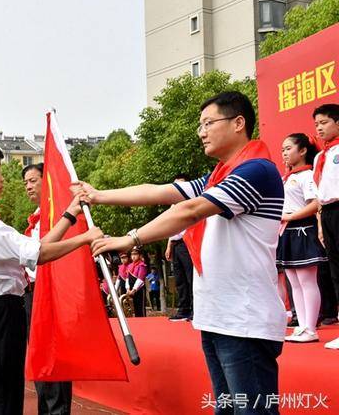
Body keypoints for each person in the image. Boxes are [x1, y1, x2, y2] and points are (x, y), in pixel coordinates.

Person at [77, 91, 287, 414]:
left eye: (208, 123)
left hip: (245, 322)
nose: (201, 131)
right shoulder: (218, 177)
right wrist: (99, 196)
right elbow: (160, 192)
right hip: (219, 318)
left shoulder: (257, 171)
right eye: (199, 125)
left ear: (238, 123)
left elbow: (189, 211)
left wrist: (129, 239)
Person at [0, 137, 102, 415]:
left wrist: (68, 214)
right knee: (2, 400)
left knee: (4, 393)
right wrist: (85, 239)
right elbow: (40, 254)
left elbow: (33, 250)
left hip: (0, 312)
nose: (2, 178)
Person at [22, 162, 79, 415]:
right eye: (26, 182)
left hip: (53, 294)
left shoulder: (64, 216)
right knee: (39, 357)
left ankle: (56, 411)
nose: (28, 186)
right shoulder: (36, 218)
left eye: (33, 180)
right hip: (33, 293)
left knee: (53, 359)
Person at [277, 133, 326, 343]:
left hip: (303, 230)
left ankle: (311, 328)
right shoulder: (286, 177)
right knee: (294, 282)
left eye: (288, 148)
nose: (285, 153)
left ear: (303, 150)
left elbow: (316, 203)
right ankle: (302, 325)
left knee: (307, 281)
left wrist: (289, 216)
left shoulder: (307, 176)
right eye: (283, 150)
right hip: (286, 231)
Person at [311, 104, 339, 350]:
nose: (319, 128)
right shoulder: (320, 156)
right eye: (316, 124)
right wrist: (320, 223)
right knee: (336, 271)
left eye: (324, 122)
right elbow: (321, 194)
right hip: (328, 214)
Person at [165, 175, 194, 321]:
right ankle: (183, 309)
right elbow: (171, 228)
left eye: (182, 185)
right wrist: (169, 245)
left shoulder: (191, 203)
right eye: (176, 186)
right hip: (176, 244)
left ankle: (195, 310)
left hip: (187, 243)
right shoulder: (173, 206)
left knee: (191, 277)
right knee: (180, 279)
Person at [123, 247, 147, 317]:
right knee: (135, 309)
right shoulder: (130, 266)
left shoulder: (142, 265)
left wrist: (133, 290)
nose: (133, 256)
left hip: (139, 290)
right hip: (130, 290)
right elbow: (127, 278)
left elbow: (140, 279)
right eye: (132, 254)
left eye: (135, 254)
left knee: (140, 309)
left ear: (139, 255)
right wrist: (127, 289)